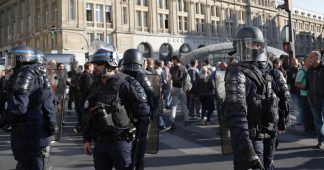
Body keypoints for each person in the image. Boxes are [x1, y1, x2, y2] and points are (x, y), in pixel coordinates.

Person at [224, 26, 290, 170]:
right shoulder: (238, 73)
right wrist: (248, 150)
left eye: (256, 44)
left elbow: (283, 100)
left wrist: (281, 123)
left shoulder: (271, 72)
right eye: (250, 44)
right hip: (252, 137)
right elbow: (237, 116)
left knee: (268, 165)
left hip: (266, 135)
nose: (254, 48)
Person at [82, 46, 151, 170]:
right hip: (100, 143)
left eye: (99, 63)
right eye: (94, 63)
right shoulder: (95, 85)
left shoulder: (127, 83)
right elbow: (87, 113)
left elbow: (144, 115)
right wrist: (86, 140)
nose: (95, 67)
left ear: (110, 63)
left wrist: (138, 146)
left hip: (121, 143)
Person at [0, 45, 56, 170]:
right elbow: (48, 106)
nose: (10, 62)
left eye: (13, 58)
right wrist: (52, 128)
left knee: (32, 164)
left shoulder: (26, 74)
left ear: (22, 59)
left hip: (30, 132)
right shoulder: (32, 74)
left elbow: (19, 107)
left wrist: (3, 121)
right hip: (29, 131)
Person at [121, 48, 158, 169]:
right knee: (139, 147)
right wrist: (152, 111)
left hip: (123, 117)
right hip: (139, 117)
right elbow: (152, 94)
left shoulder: (119, 76)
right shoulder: (141, 75)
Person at [305, 51, 324, 149]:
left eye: (310, 57)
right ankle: (321, 141)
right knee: (318, 122)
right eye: (309, 57)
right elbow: (307, 84)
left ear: (317, 58)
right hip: (313, 100)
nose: (309, 60)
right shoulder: (309, 70)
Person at [168, 55, 191, 129]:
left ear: (175, 60)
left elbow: (169, 79)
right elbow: (187, 80)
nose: (172, 61)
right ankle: (186, 120)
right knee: (184, 105)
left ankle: (172, 121)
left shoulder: (172, 68)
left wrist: (170, 89)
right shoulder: (184, 68)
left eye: (172, 60)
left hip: (175, 88)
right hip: (183, 89)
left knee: (174, 106)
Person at [295, 56, 315, 136]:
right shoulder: (301, 72)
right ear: (305, 62)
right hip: (305, 95)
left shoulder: (312, 70)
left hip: (313, 95)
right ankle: (308, 129)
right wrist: (306, 87)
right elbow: (296, 83)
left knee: (313, 113)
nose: (311, 61)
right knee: (307, 113)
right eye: (309, 60)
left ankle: (313, 128)